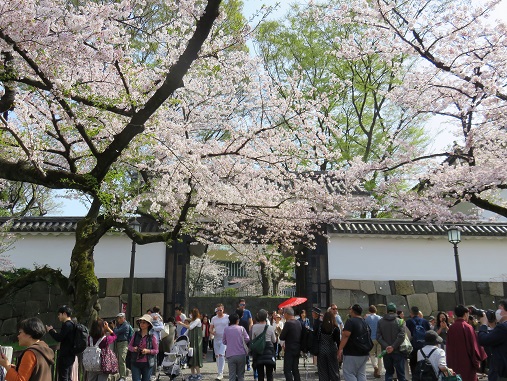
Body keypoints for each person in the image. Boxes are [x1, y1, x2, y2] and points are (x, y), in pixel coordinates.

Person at [446, 305, 484, 381]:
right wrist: (477, 362)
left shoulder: (451, 328)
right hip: (467, 364)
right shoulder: (468, 327)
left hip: (454, 362)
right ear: (465, 314)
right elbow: (474, 347)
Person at [338, 304, 370, 381]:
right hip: (364, 352)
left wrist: (340, 349)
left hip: (352, 352)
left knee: (349, 373)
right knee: (361, 374)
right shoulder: (365, 322)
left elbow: (346, 335)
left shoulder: (350, 321)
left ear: (352, 311)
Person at [477, 299, 507, 380]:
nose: (497, 312)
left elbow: (483, 340)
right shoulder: (501, 328)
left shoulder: (502, 327)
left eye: (500, 308)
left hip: (501, 373)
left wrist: (484, 325)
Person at [46, 305, 76, 381]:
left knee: (63, 377)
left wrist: (50, 331)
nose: (58, 316)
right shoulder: (72, 324)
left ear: (64, 314)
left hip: (65, 355)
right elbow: (63, 337)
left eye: (59, 314)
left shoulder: (67, 325)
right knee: (68, 376)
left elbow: (59, 338)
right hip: (71, 354)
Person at [377, 303, 406, 381]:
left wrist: (387, 347)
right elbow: (402, 336)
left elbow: (378, 337)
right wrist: (393, 346)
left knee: (389, 372)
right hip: (398, 351)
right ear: (395, 311)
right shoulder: (400, 321)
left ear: (387, 311)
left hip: (386, 351)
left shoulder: (380, 321)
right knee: (401, 374)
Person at [128, 314, 159, 381]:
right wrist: (134, 349)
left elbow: (156, 350)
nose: (141, 324)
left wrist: (148, 351)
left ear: (148, 324)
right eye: (140, 322)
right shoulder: (136, 334)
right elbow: (129, 346)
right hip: (135, 362)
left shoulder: (152, 337)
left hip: (147, 363)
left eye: (144, 322)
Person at [178, 307, 203, 380]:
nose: (190, 315)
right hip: (191, 341)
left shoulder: (198, 320)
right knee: (191, 357)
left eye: (191, 313)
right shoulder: (192, 321)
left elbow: (190, 327)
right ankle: (193, 374)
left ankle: (198, 374)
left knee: (195, 357)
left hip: (196, 341)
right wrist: (179, 339)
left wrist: (182, 324)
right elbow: (186, 332)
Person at [251, 309, 277, 381]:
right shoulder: (270, 327)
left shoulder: (254, 327)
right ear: (266, 317)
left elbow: (253, 339)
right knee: (269, 374)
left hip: (259, 351)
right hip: (269, 350)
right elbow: (274, 340)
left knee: (260, 374)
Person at [223, 313, 250, 381]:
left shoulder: (226, 329)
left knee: (232, 376)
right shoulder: (241, 328)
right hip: (241, 354)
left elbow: (224, 341)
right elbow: (247, 339)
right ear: (237, 320)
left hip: (230, 354)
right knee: (241, 376)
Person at [406, 306, 431, 375]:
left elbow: (406, 336)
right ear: (418, 312)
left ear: (411, 313)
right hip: (424, 347)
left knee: (413, 366)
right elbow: (429, 334)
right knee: (424, 365)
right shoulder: (425, 322)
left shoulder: (408, 322)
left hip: (413, 347)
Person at [279, 307, 302, 381]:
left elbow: (282, 336)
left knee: (287, 370)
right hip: (297, 348)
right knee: (295, 369)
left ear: (286, 314)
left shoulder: (288, 323)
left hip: (289, 349)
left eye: (284, 314)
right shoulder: (298, 322)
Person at [317, 311, 340, 381]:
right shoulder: (335, 328)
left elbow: (317, 338)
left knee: (322, 371)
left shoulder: (320, 327)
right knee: (333, 370)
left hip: (321, 350)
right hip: (331, 350)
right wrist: (340, 351)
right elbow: (338, 341)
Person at [210, 303, 229, 380]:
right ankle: (219, 371)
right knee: (217, 356)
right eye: (217, 311)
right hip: (216, 339)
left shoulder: (227, 317)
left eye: (220, 310)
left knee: (221, 354)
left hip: (224, 339)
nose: (219, 312)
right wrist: (212, 332)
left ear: (223, 309)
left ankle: (220, 373)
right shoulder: (214, 318)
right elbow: (210, 328)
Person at [113, 312, 131, 381]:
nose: (119, 320)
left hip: (123, 343)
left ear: (124, 318)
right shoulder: (119, 325)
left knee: (121, 360)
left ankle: (123, 377)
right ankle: (122, 373)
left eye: (120, 318)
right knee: (119, 360)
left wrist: (114, 328)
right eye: (118, 318)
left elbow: (116, 332)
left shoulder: (125, 325)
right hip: (118, 343)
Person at [365, 305, 383, 378]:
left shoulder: (367, 319)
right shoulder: (380, 318)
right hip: (379, 338)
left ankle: (375, 366)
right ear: (376, 311)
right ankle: (379, 372)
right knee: (380, 356)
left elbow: (364, 327)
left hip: (371, 339)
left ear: (369, 311)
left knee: (372, 354)